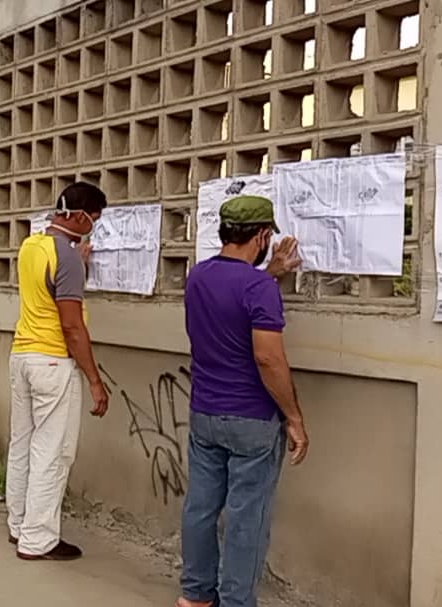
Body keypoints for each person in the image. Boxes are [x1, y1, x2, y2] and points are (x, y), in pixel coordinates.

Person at [177, 195, 308, 607]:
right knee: (246, 517)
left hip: (205, 413)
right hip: (252, 419)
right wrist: (294, 417)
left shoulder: (198, 276)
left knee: (200, 506)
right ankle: (236, 601)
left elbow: (230, 297)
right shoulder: (258, 288)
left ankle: (195, 595)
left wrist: (270, 274)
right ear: (264, 235)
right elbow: (268, 358)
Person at [6, 182, 108, 562]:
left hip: (22, 356)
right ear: (80, 216)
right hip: (53, 361)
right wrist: (95, 380)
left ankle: (19, 525)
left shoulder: (33, 245)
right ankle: (39, 540)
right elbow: (71, 326)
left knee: (23, 445)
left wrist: (75, 261)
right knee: (53, 452)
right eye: (93, 220)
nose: (93, 227)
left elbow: (46, 286)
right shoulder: (66, 258)